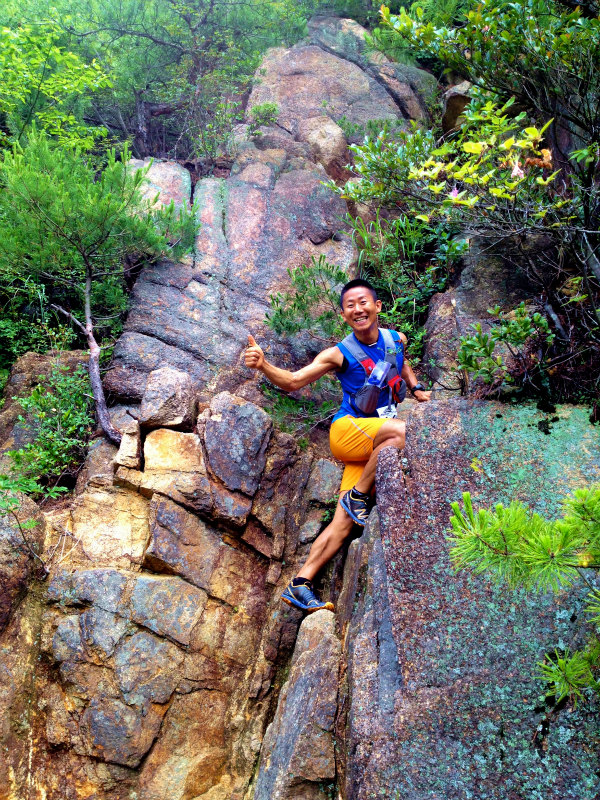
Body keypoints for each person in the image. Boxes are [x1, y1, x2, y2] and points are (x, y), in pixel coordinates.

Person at [245, 278, 431, 613]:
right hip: (347, 432)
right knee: (403, 433)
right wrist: (263, 365)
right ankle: (360, 495)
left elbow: (400, 362)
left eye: (363, 302)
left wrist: (416, 389)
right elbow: (293, 381)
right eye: (350, 305)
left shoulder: (395, 339)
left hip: (370, 440)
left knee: (344, 521)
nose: (358, 309)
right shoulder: (338, 354)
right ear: (344, 315)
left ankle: (300, 583)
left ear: (377, 307)